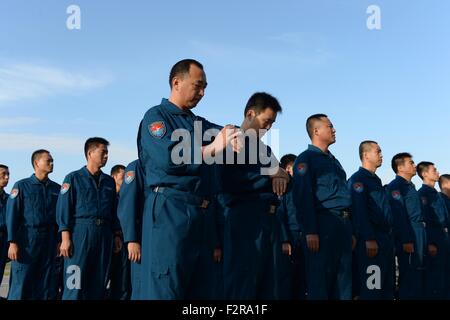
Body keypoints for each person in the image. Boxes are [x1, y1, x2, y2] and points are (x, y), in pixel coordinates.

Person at [137, 59, 241, 299]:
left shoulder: (197, 123)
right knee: (167, 286)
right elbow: (170, 157)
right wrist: (213, 148)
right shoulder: (156, 116)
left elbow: (226, 131)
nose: (203, 93)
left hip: (200, 214)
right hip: (170, 210)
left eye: (205, 87)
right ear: (176, 82)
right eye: (198, 86)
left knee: (202, 288)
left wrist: (234, 133)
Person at [218, 92, 289, 300]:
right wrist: (270, 173)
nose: (268, 128)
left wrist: (280, 174)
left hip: (270, 221)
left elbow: (283, 178)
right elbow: (227, 181)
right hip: (244, 219)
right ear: (250, 114)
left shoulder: (265, 149)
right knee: (242, 284)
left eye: (272, 124)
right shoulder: (230, 141)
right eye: (266, 121)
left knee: (269, 285)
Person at [292, 114, 353, 300]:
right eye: (330, 126)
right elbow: (303, 197)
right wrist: (310, 230)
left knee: (344, 284)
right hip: (322, 224)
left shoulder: (335, 161)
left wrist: (352, 232)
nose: (334, 130)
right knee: (320, 283)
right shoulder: (306, 159)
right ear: (316, 131)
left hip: (343, 225)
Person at [57, 137, 122, 300]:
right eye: (103, 152)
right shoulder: (73, 178)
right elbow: (64, 209)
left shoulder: (108, 182)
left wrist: (116, 235)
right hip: (81, 233)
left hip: (104, 234)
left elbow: (114, 211)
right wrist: (65, 238)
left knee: (98, 282)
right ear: (90, 153)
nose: (106, 156)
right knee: (75, 282)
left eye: (107, 153)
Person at [6, 150, 60, 299]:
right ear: (37, 163)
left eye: (52, 160)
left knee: (45, 284)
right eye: (48, 160)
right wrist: (12, 241)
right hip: (27, 241)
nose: (52, 163)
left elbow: (59, 218)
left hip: (49, 240)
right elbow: (12, 215)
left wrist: (59, 240)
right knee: (21, 282)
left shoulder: (56, 189)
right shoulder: (22, 186)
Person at [348, 141, 394, 300]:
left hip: (385, 239)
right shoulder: (358, 180)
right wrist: (369, 238)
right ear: (366, 155)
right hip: (372, 240)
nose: (381, 155)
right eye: (378, 151)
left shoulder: (376, 180)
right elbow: (359, 212)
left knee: (387, 288)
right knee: (372, 288)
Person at [386, 153, 426, 300]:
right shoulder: (396, 186)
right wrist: (406, 239)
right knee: (410, 276)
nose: (415, 165)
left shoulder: (410, 187)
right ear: (400, 167)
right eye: (411, 162)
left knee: (419, 274)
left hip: (419, 232)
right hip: (410, 233)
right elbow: (399, 215)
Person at [416, 162, 449, 299]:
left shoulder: (437, 194)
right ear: (425, 174)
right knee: (435, 279)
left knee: (445, 278)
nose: (437, 172)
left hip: (443, 238)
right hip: (434, 240)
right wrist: (430, 242)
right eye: (434, 170)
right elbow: (425, 221)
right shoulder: (422, 194)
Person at [276, 153, 307, 300]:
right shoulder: (283, 187)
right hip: (290, 237)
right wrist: (284, 240)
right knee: (286, 280)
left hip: (304, 238)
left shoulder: (302, 188)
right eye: (292, 167)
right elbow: (280, 214)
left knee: (302, 280)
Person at [117, 159, 145, 300]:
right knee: (141, 284)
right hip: (142, 235)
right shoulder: (137, 167)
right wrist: (132, 239)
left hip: (162, 233)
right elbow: (128, 205)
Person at [108, 164, 131, 300]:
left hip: (123, 240)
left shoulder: (127, 198)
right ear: (113, 177)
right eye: (122, 178)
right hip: (108, 239)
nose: (125, 182)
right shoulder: (107, 197)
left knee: (122, 280)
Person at [0, 164, 10, 291]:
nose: (7, 177)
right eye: (3, 174)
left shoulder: (9, 199)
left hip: (4, 241)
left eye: (8, 174)